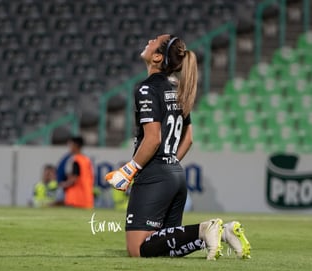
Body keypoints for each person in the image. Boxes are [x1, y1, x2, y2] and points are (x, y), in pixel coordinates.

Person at [105, 34, 251, 259]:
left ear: (157, 57)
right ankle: (222, 232)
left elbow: (153, 139)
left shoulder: (146, 89)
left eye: (154, 40)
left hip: (154, 175)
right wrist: (169, 164)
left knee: (138, 249)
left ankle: (205, 230)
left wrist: (129, 170)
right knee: (163, 248)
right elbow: (188, 138)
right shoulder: (177, 88)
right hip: (175, 173)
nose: (149, 40)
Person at [54, 136, 94, 209]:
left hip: (75, 198)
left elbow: (74, 178)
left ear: (75, 145)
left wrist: (63, 184)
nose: (69, 147)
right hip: (86, 197)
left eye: (70, 145)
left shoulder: (75, 160)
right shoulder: (86, 160)